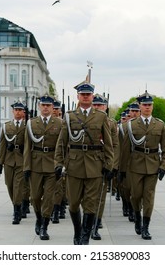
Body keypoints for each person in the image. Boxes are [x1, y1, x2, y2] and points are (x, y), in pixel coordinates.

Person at [54, 81, 113, 245]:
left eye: (88, 94)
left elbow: (108, 144)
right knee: (73, 204)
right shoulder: (70, 116)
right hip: (74, 165)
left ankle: (85, 238)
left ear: (92, 96)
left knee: (91, 204)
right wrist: (58, 163)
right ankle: (78, 231)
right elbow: (61, 142)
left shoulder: (101, 116)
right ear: (78, 96)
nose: (86, 97)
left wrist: (110, 165)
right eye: (83, 94)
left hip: (95, 165)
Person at [120, 90, 165, 240]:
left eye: (149, 105)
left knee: (148, 196)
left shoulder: (159, 125)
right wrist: (122, 170)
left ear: (152, 107)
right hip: (135, 165)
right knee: (135, 196)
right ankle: (136, 215)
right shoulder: (131, 125)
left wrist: (164, 166)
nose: (147, 107)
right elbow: (125, 149)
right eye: (144, 105)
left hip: (153, 165)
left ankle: (146, 227)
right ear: (140, 106)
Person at [23, 94, 63, 241]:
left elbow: (62, 147)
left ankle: (44, 226)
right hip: (35, 165)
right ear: (40, 106)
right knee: (34, 197)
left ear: (53, 107)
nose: (46, 108)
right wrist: (26, 167)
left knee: (48, 198)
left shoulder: (59, 124)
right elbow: (27, 147)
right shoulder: (31, 123)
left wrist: (60, 165)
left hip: (52, 165)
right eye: (43, 105)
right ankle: (39, 218)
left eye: (48, 105)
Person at [90, 93, 119, 240]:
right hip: (87, 163)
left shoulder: (111, 123)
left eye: (100, 105)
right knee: (86, 197)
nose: (97, 107)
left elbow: (114, 145)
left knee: (100, 196)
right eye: (94, 105)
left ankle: (96, 224)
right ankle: (89, 221)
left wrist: (112, 165)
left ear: (105, 107)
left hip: (103, 162)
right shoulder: (85, 120)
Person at [0, 101, 26, 225]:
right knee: (9, 185)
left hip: (21, 161)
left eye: (20, 110)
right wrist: (0, 163)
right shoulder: (6, 126)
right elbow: (2, 145)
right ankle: (16, 204)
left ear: (23, 112)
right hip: (9, 161)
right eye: (16, 110)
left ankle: (17, 211)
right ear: (13, 111)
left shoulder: (27, 126)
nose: (18, 112)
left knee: (18, 186)